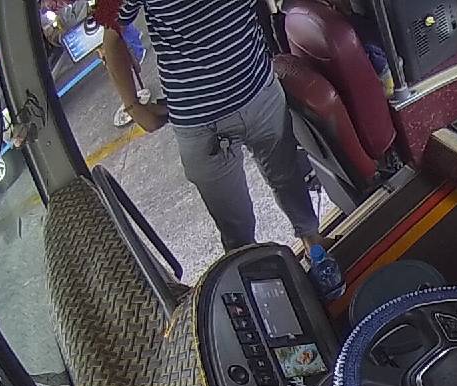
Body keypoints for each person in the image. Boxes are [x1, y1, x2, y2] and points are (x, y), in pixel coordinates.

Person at [97, 0, 322, 253]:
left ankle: (315, 247)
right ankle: (255, 269)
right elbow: (112, 33)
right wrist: (133, 106)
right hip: (202, 126)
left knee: (289, 179)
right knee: (236, 227)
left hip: (261, 91)